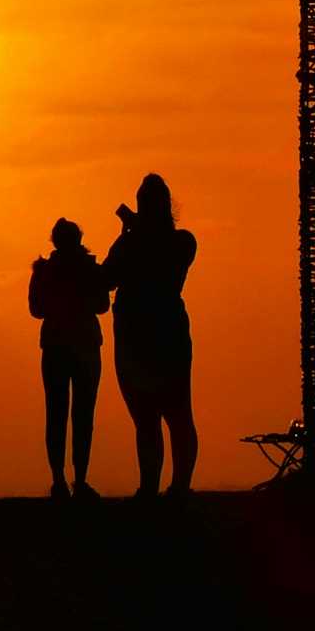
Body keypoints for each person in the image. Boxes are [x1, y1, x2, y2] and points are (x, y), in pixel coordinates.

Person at [101, 173, 198, 496]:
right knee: (157, 414)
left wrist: (130, 233)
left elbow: (106, 278)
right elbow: (106, 278)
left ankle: (170, 487)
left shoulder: (180, 242)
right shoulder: (164, 242)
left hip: (147, 332)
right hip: (149, 332)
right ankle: (159, 487)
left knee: (169, 414)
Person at [28, 217, 109, 500]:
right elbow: (102, 305)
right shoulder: (89, 269)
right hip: (84, 345)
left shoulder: (44, 271)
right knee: (83, 415)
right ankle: (79, 480)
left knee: (57, 413)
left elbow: (36, 309)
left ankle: (60, 480)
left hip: (55, 346)